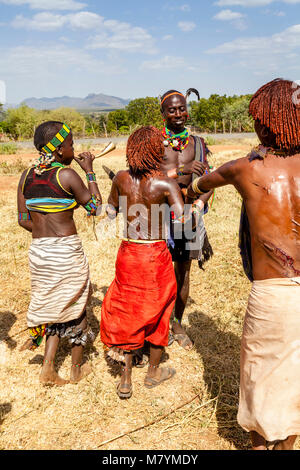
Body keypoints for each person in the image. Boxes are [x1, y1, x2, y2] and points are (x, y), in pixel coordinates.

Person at [187, 78, 300, 450]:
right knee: (294, 381)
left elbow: (201, 184)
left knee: (260, 376)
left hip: (273, 295)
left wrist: (193, 190)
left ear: (266, 124)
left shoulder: (245, 169)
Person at [100, 126, 201, 399]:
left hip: (128, 252)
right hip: (155, 254)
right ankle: (154, 372)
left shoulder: (121, 178)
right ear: (157, 151)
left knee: (127, 309)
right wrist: (198, 204)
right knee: (161, 308)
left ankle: (126, 378)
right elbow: (182, 220)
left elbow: (110, 211)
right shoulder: (164, 184)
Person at [18, 121, 101, 385]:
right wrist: (88, 171)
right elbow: (96, 207)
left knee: (54, 306)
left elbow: (23, 219)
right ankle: (76, 369)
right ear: (58, 148)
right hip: (65, 251)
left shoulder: (27, 175)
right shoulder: (66, 175)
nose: (73, 148)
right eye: (70, 144)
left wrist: (47, 230)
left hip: (39, 251)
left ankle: (48, 368)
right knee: (77, 308)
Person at [160, 89, 214, 350]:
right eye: (172, 110)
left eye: (182, 108)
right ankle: (157, 325)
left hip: (188, 214)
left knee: (182, 271)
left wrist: (201, 202)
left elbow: (209, 180)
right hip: (157, 214)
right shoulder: (153, 142)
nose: (179, 114)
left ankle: (177, 322)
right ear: (163, 113)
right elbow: (144, 177)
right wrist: (180, 170)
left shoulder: (199, 144)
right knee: (156, 272)